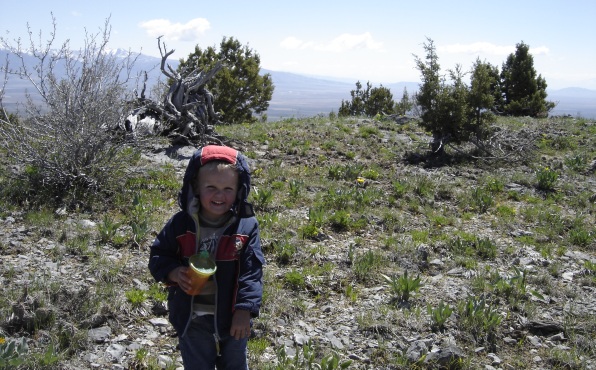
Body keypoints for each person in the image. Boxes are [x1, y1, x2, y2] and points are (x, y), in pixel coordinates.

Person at [148, 145, 265, 369]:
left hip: (232, 316)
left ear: (240, 190)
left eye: (228, 189)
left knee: (235, 364)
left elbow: (252, 271)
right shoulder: (180, 223)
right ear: (196, 187)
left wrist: (244, 310)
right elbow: (159, 254)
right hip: (192, 318)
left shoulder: (246, 226)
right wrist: (173, 272)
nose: (220, 195)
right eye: (211, 187)